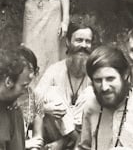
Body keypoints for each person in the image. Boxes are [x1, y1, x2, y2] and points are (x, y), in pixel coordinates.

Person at [35, 21, 94, 149]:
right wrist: (46, 109)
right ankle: (75, 142)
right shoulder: (55, 70)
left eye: (87, 41)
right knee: (51, 93)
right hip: (55, 132)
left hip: (85, 132)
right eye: (79, 40)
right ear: (68, 42)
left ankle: (66, 143)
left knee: (91, 94)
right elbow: (31, 102)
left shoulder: (95, 73)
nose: (83, 45)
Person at [11, 46, 45, 150]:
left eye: (32, 70)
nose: (30, 76)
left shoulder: (36, 97)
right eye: (25, 70)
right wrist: (25, 145)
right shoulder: (6, 96)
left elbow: (38, 137)